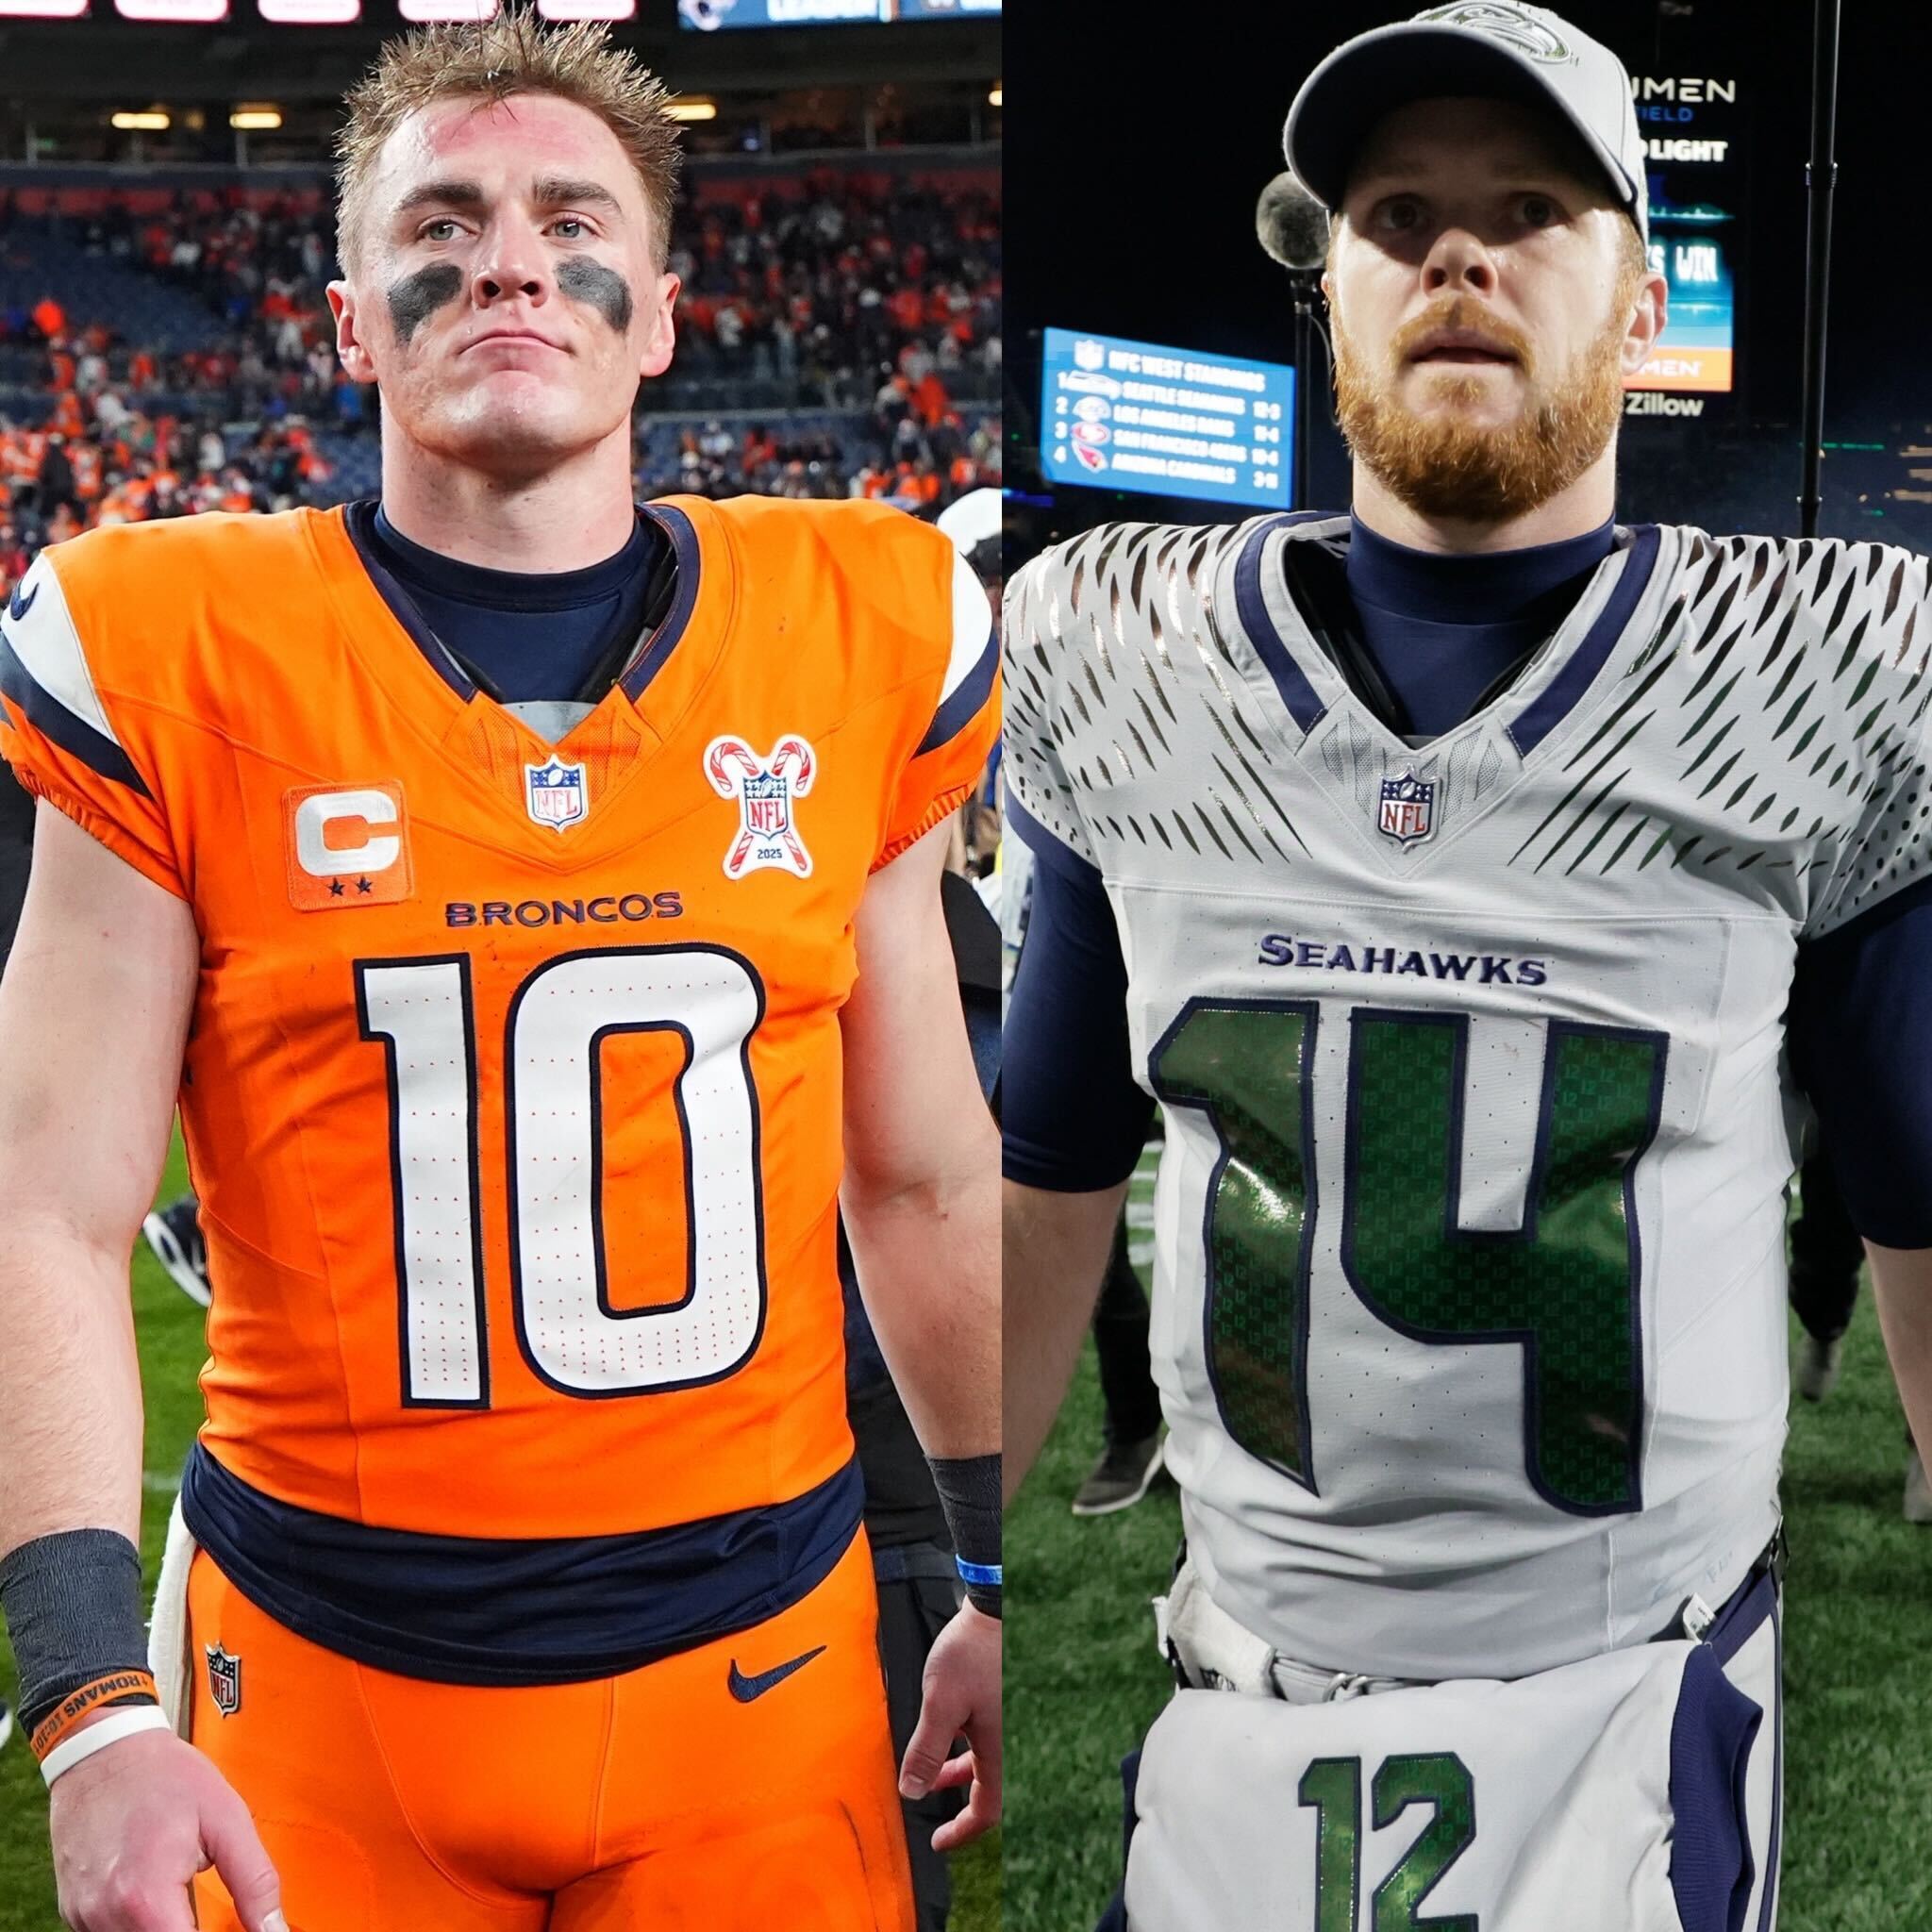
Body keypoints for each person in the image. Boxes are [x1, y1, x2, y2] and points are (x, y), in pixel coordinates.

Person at [0, 12, 1000, 1931]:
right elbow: (46, 1202)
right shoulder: (174, 639)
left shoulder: (853, 623)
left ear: (663, 314)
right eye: (442, 220)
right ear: (354, 322)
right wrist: (87, 1705)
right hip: (316, 1676)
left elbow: (926, 1170)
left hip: (762, 1679)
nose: (510, 255)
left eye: (569, 214)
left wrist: (985, 1579)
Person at [1004, 6, 1932, 1927]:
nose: (1456, 253)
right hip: (1240, 1676)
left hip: (1634, 1698)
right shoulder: (1117, 656)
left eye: (1528, 210)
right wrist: (947, 1569)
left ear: (1632, 301)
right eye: (1397, 213)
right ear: (1327, 290)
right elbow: (1051, 1174)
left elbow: (1918, 1184)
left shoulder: (1812, 675)